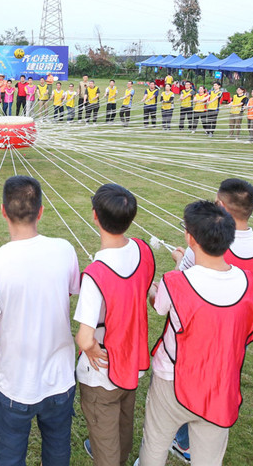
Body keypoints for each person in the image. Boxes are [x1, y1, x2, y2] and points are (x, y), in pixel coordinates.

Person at [138, 200, 253, 466]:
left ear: (190, 238)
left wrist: (152, 288)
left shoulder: (175, 282)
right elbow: (249, 329)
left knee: (155, 445)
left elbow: (160, 305)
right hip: (220, 382)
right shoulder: (249, 281)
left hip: (172, 379)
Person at [0, 176, 80, 466]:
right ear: (40, 211)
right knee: (58, 450)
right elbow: (69, 291)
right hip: (58, 380)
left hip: (14, 385)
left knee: (10, 456)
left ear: (3, 211)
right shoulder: (64, 250)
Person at [168, 178, 253, 461]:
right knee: (223, 376)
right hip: (241, 330)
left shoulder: (207, 245)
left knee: (192, 381)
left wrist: (180, 260)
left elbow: (184, 285)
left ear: (220, 206)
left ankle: (185, 440)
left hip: (203, 329)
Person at [74, 184, 154, 466]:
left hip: (103, 372)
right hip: (132, 359)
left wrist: (91, 349)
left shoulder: (96, 274)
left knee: (106, 444)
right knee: (123, 423)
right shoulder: (143, 250)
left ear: (95, 216)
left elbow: (85, 338)